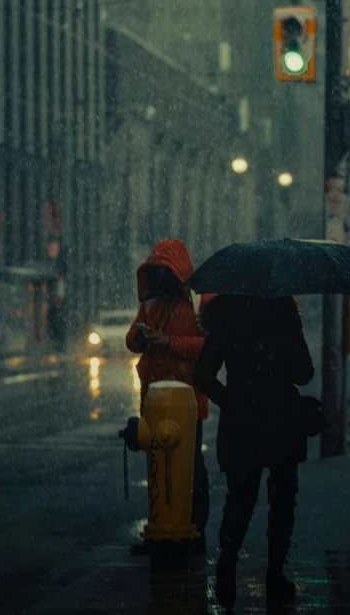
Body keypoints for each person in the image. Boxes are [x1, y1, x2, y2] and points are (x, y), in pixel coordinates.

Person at [193, 295, 314, 609]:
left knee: (240, 499)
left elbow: (203, 374)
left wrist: (233, 400)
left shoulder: (226, 318)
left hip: (241, 424)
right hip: (281, 421)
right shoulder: (284, 315)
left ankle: (228, 562)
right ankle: (275, 575)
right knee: (283, 498)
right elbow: (305, 373)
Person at [126, 238, 212, 555]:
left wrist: (169, 342)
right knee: (157, 463)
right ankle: (161, 526)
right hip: (155, 398)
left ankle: (195, 530)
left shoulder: (200, 302)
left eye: (165, 272)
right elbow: (131, 337)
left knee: (191, 466)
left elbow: (208, 347)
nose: (159, 279)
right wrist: (141, 336)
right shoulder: (151, 304)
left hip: (187, 401)